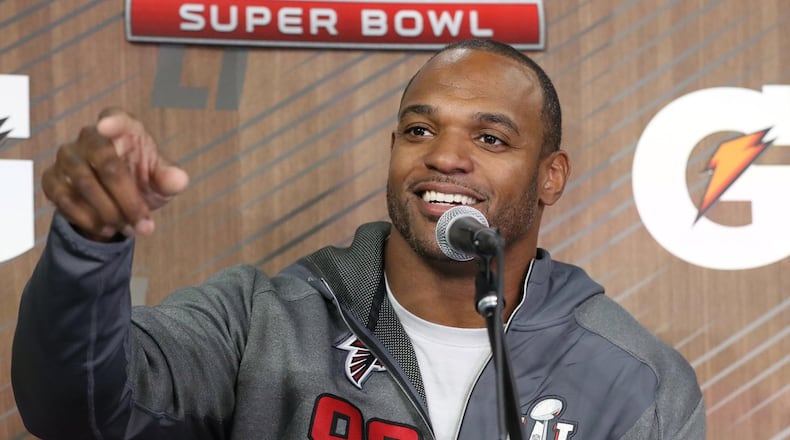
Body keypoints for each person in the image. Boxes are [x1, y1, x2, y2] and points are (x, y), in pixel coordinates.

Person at [12, 39, 705, 439]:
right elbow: (75, 409)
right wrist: (90, 246)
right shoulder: (262, 322)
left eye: (491, 139)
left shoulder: (637, 378)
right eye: (419, 130)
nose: (445, 157)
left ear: (551, 177)